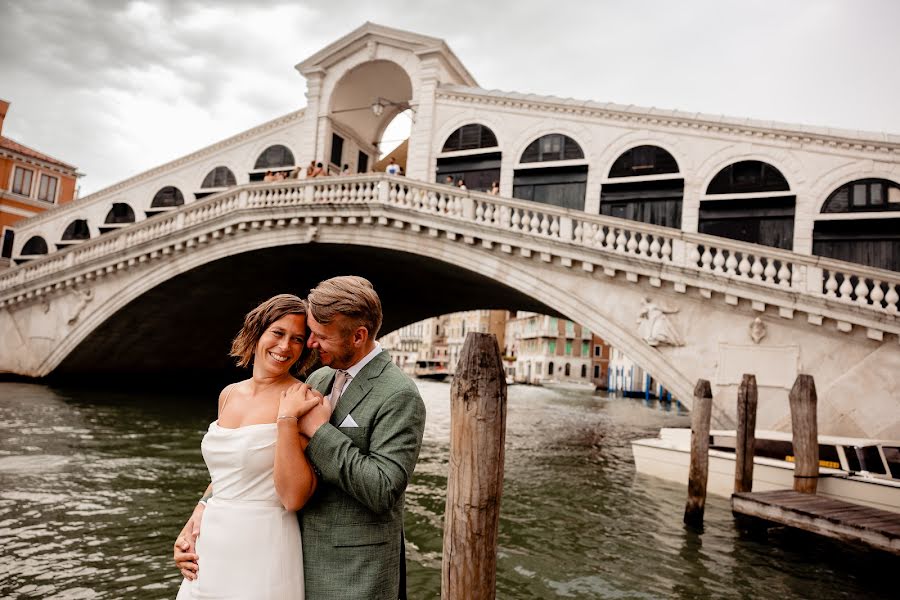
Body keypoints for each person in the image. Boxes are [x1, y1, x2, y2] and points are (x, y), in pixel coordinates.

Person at [175, 277, 427, 600]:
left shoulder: (399, 394)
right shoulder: (320, 378)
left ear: (358, 336)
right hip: (286, 549)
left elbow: (383, 489)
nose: (308, 345)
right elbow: (249, 466)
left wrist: (320, 432)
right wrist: (201, 510)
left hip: (353, 569)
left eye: (318, 336)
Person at [173, 294, 322, 599]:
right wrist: (194, 518)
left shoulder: (306, 401)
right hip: (211, 544)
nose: (285, 347)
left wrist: (286, 418)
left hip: (264, 546)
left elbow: (294, 498)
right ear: (257, 333)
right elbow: (227, 475)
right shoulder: (228, 395)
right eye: (278, 333)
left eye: (297, 339)